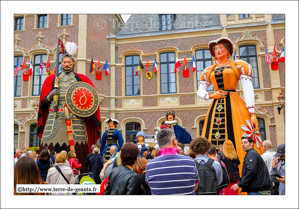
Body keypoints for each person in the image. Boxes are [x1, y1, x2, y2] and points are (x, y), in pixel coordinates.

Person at [196, 37, 264, 174]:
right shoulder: (209, 70)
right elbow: (200, 91)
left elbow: (247, 87)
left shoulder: (238, 65)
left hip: (234, 104)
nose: (218, 50)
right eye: (216, 49)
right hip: (216, 105)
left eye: (221, 48)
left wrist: (252, 112)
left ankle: (242, 173)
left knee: (238, 133)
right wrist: (210, 95)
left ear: (228, 51)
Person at [37, 43, 101, 173]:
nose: (66, 64)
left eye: (69, 62)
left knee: (78, 148)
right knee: (48, 145)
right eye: (64, 62)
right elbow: (43, 104)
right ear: (61, 63)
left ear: (73, 63)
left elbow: (89, 99)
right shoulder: (51, 79)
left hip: (75, 119)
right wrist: (50, 95)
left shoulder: (81, 80)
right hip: (54, 118)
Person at [146, 129, 199, 195]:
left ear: (159, 145)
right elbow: (195, 187)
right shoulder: (190, 162)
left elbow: (151, 186)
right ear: (174, 142)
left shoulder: (150, 165)